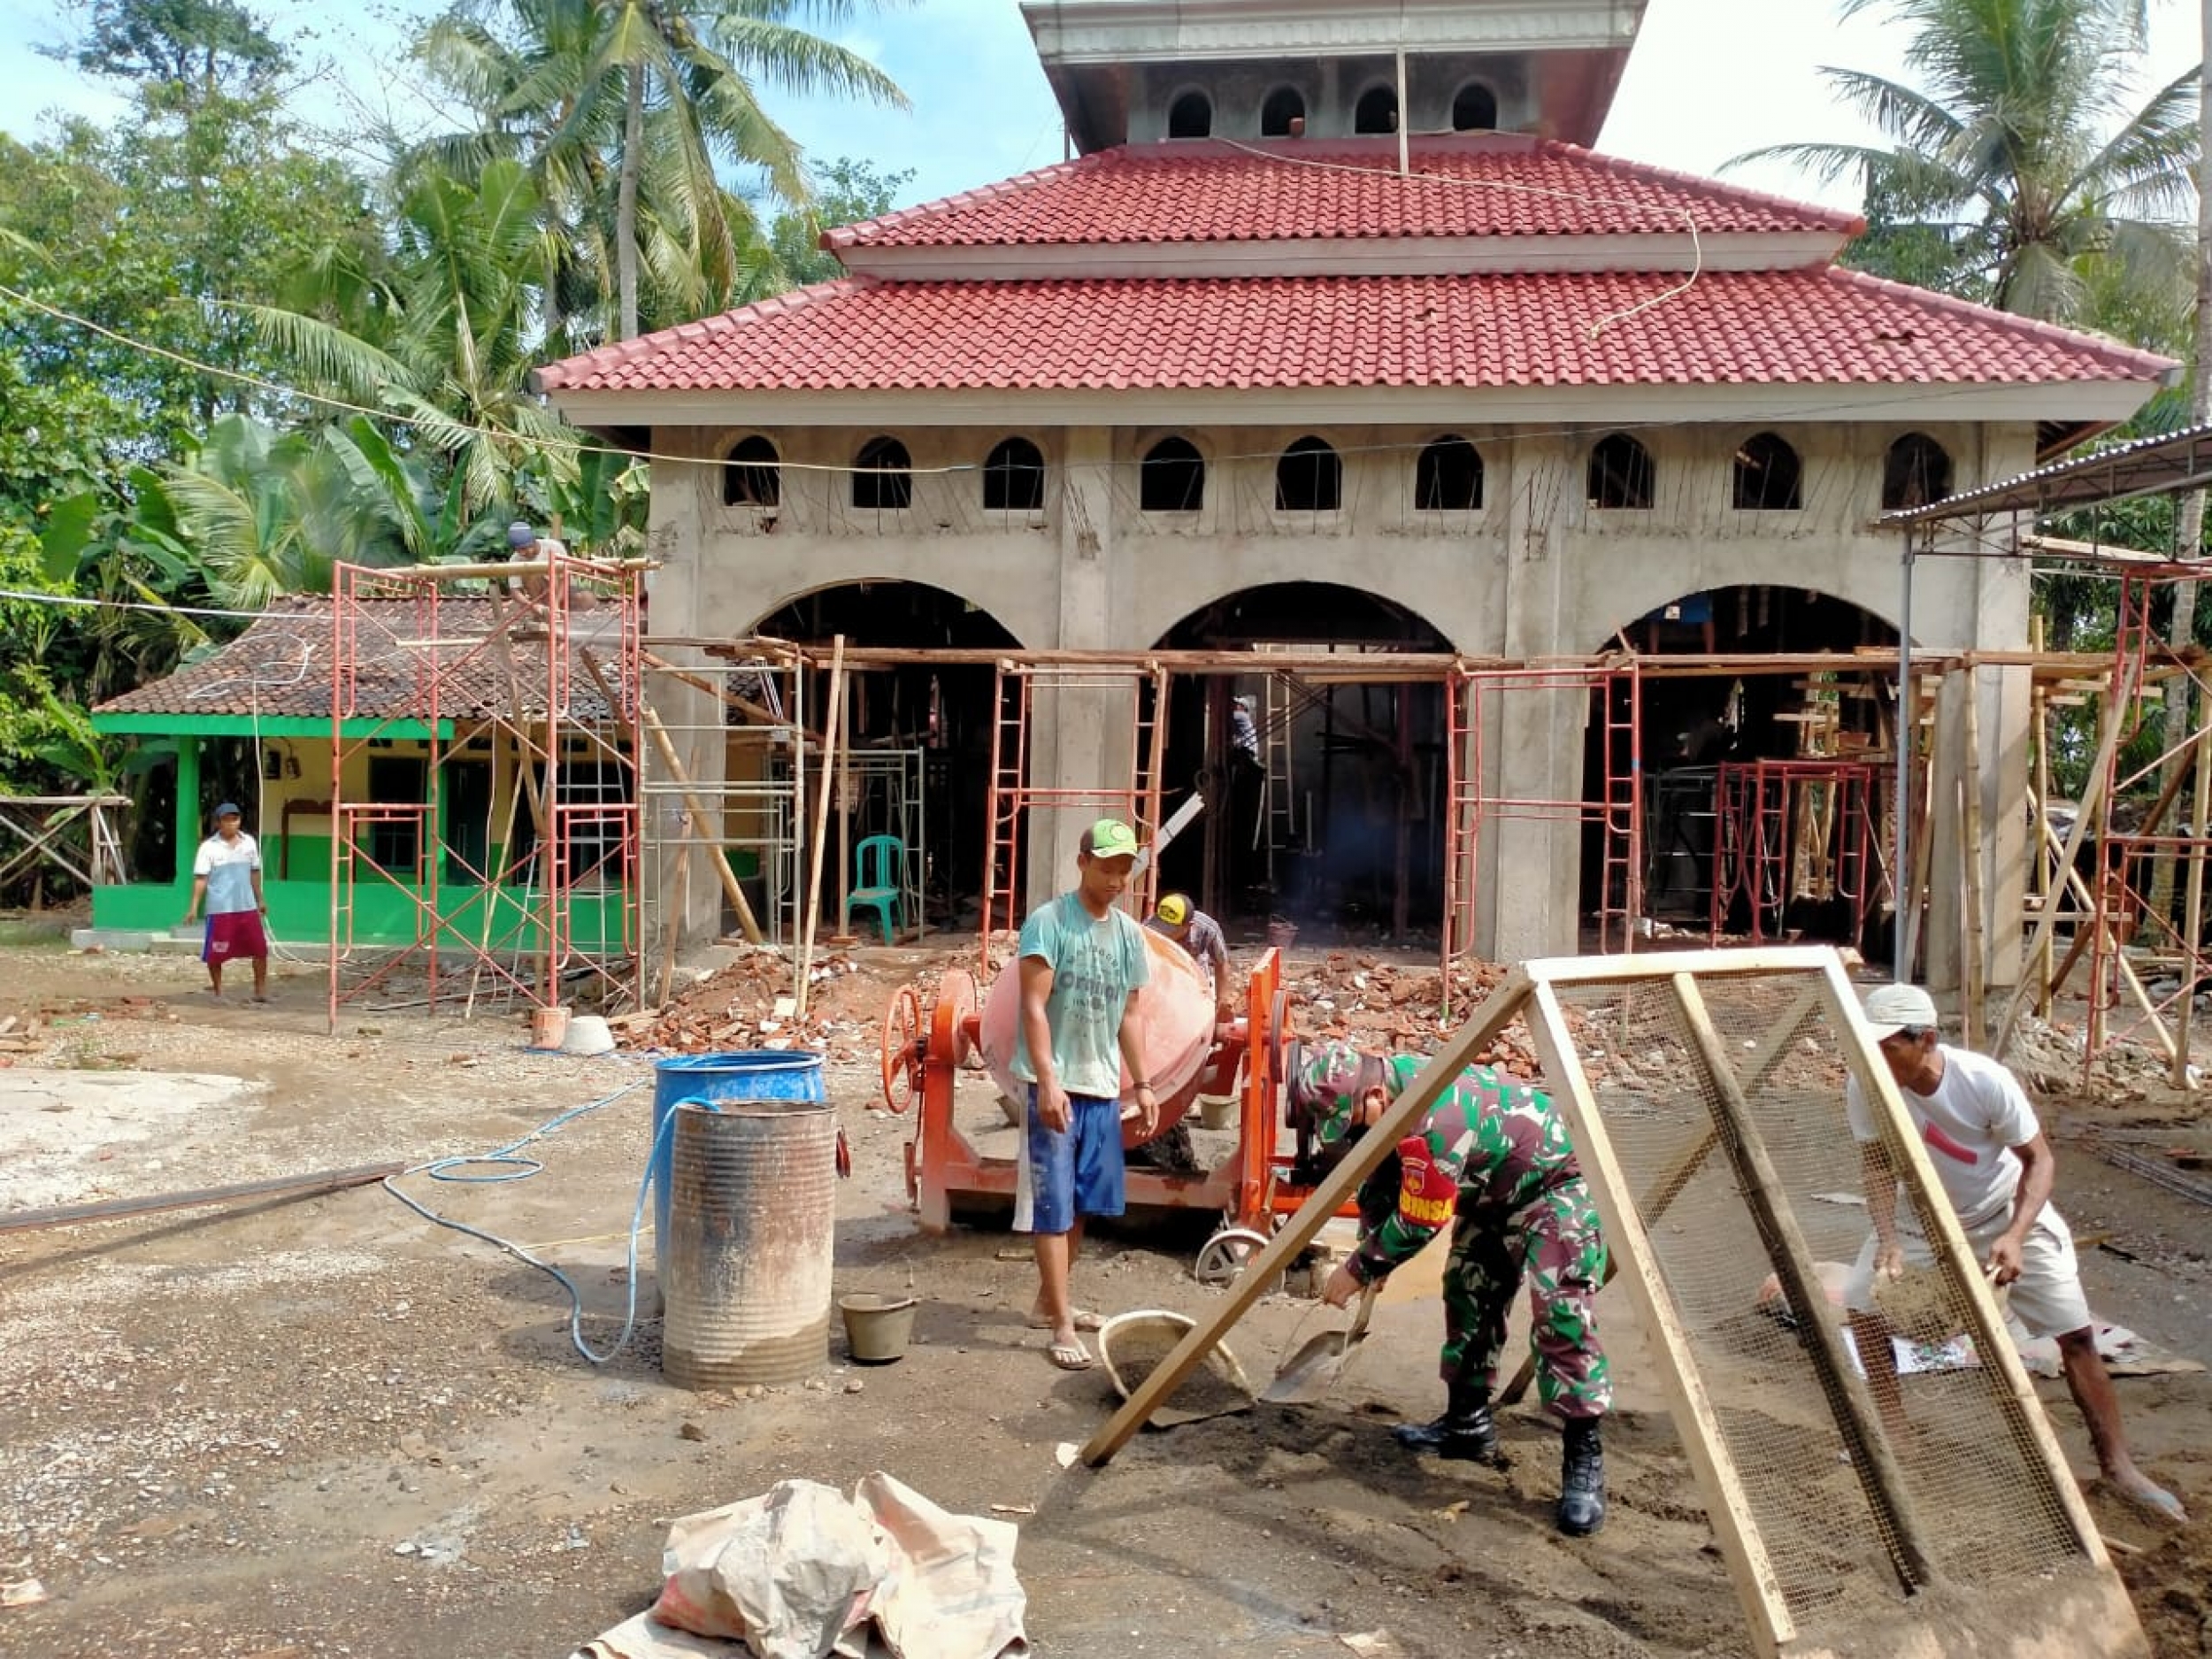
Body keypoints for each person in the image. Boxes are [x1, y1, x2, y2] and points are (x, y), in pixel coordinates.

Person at [1846, 983, 2186, 1522]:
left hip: (2005, 1213)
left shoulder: (1982, 1081)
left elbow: (2039, 1161)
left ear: (1926, 1039)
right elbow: (1877, 1164)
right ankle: (1895, 1435)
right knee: (1861, 1308)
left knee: (2075, 1335)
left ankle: (2118, 1468)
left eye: (1887, 1045)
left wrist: (2016, 1236)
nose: (1875, 1056)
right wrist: (1887, 1237)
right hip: (1921, 1221)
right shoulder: (1866, 1085)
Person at [1310, 1039, 1611, 1536]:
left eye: (1353, 1121)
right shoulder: (1391, 1105)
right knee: (1467, 1288)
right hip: (1494, 1192)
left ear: (1375, 1095)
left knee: (1560, 1315)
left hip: (1558, 1184)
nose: (1355, 1133)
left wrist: (1359, 1268)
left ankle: (1584, 1459)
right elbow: (1383, 1179)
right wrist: (1371, 1242)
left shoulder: (1436, 1116)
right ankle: (1467, 1425)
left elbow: (1420, 1217)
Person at [1010, 818, 1157, 1371]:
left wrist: (1142, 1084)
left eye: (1126, 868)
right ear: (1083, 863)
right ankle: (1062, 1323)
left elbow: (1130, 1014)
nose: (1119, 877)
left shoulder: (1127, 934)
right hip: (1056, 1083)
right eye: (1108, 866)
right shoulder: (1050, 924)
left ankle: (1051, 1302)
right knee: (1053, 1206)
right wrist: (1047, 1079)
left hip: (1100, 1085)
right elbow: (1031, 1006)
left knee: (1083, 1204)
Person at [180, 803, 270, 1002]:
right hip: (220, 909)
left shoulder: (249, 843)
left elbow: (254, 872)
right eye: (226, 820)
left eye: (235, 819)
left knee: (260, 949)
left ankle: (260, 990)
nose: (231, 823)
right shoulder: (208, 847)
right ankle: (219, 991)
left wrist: (260, 899)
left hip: (247, 907)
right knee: (216, 952)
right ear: (218, 822)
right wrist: (193, 907)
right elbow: (201, 879)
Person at [1148, 892, 1233, 1023]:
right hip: (1163, 967)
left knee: (1197, 1009)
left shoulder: (1208, 929)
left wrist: (1221, 1001)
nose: (1164, 933)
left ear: (1189, 926)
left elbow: (1221, 964)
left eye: (1170, 929)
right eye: (1162, 926)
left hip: (1195, 969)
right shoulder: (1148, 928)